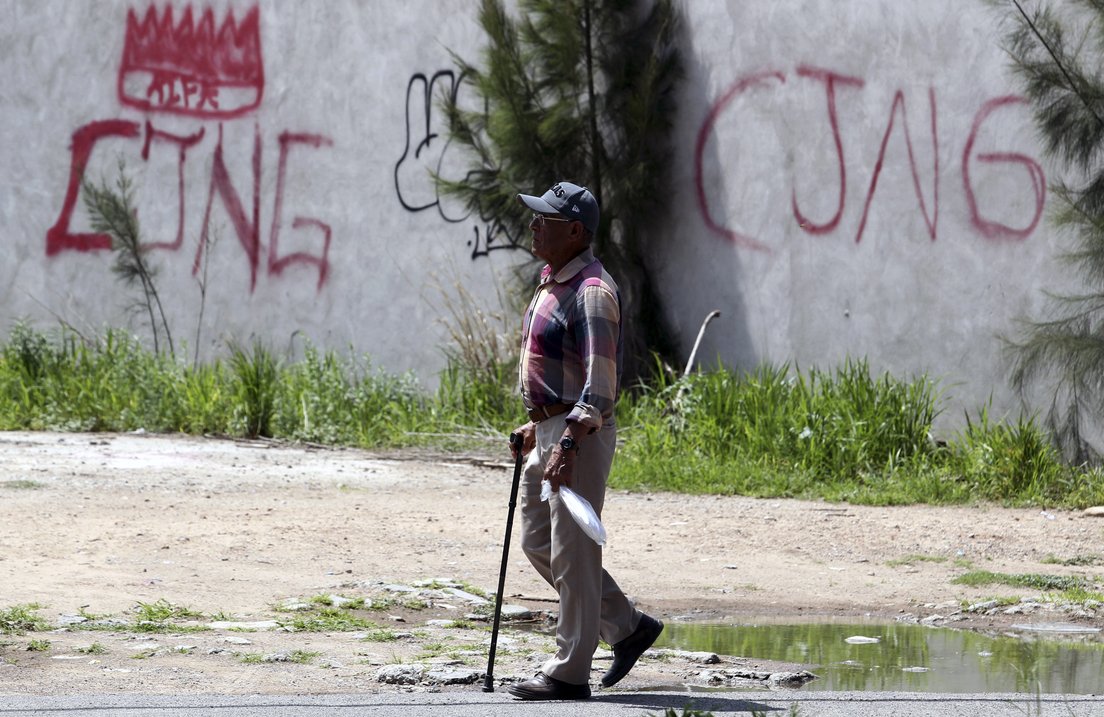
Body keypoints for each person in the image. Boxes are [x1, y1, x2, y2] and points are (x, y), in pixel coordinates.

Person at [506, 181, 663, 701]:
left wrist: (567, 441)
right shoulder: (555, 280)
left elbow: (600, 385)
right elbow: (564, 372)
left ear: (574, 230)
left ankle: (570, 672)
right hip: (552, 429)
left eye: (544, 219)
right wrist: (538, 426)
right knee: (540, 541)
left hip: (580, 434)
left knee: (573, 551)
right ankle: (626, 625)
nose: (533, 225)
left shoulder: (592, 291)